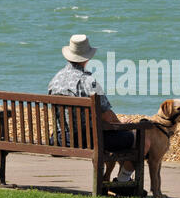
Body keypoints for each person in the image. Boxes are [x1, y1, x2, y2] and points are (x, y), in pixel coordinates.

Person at [48, 34, 150, 187]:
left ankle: (114, 179)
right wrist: (122, 124)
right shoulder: (89, 81)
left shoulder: (55, 80)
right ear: (87, 58)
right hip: (89, 140)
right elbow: (107, 115)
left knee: (117, 136)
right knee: (143, 141)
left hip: (60, 138)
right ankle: (123, 181)